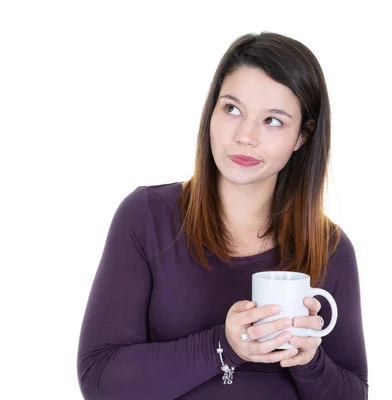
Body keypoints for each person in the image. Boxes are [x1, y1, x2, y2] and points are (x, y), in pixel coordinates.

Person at [76, 32, 368, 399]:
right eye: (232, 109)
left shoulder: (331, 249)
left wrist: (310, 361)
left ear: (302, 136)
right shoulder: (147, 217)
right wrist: (223, 346)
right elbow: (100, 379)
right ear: (211, 111)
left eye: (273, 121)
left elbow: (354, 393)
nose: (245, 136)